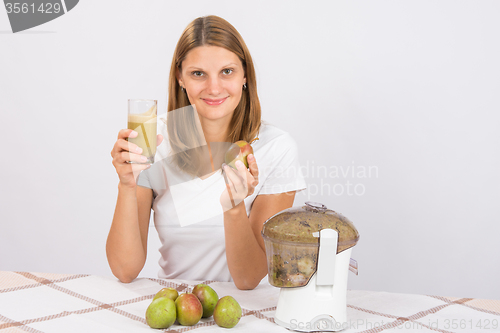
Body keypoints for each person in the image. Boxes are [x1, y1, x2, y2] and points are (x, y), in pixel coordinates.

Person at [107, 15, 306, 290]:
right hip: (176, 310)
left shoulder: (276, 148)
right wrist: (127, 184)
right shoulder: (154, 140)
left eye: (227, 71)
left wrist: (234, 210)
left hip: (245, 315)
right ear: (180, 77)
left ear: (245, 74)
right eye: (198, 73)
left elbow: (249, 278)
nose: (214, 88)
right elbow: (125, 269)